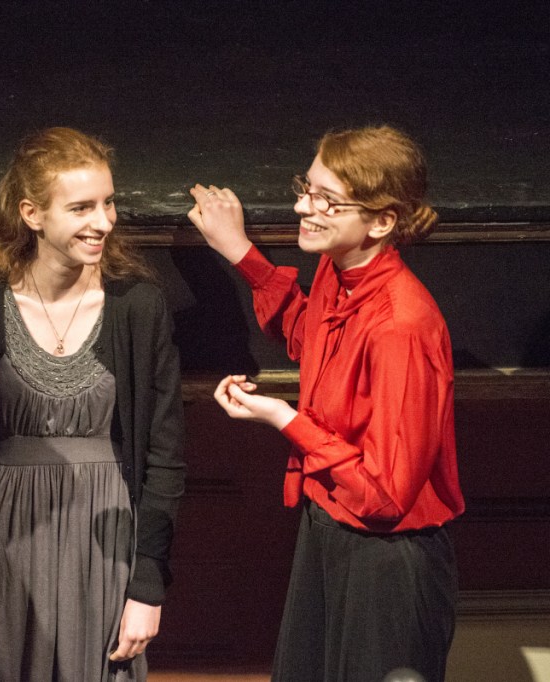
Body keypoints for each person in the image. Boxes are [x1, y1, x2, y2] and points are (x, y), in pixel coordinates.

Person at [188, 125, 465, 682]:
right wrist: (239, 251)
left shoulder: (401, 327)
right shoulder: (340, 276)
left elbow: (385, 494)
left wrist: (281, 417)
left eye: (325, 200)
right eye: (306, 188)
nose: (301, 206)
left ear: (381, 221)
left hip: (386, 561)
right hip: (331, 531)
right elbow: (310, 336)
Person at [0, 127, 185, 681]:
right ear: (32, 213)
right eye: (82, 207)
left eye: (109, 202)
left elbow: (166, 457)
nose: (104, 221)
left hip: (104, 543)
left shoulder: (137, 305)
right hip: (3, 542)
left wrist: (147, 585)